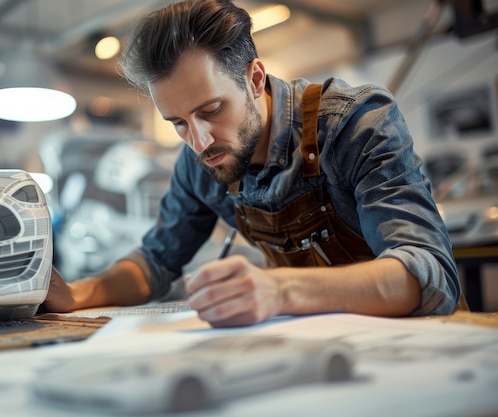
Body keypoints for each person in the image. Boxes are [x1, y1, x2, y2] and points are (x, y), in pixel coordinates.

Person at [42, 0, 462, 327]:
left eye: (210, 110)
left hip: (419, 343)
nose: (199, 141)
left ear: (255, 78)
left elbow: (428, 272)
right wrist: (76, 295)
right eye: (178, 123)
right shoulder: (200, 162)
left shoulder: (354, 124)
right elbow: (155, 261)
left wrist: (279, 290)